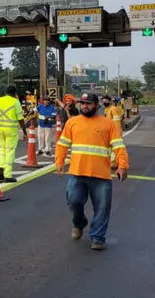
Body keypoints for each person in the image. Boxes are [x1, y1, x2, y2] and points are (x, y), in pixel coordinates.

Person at [55, 92, 129, 251]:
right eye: (82, 103)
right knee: (73, 201)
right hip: (77, 173)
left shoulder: (108, 124)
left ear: (96, 105)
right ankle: (79, 224)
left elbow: (118, 146)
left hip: (101, 175)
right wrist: (59, 161)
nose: (84, 106)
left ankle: (98, 237)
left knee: (102, 208)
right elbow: (62, 144)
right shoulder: (72, 123)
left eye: (88, 103)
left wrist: (122, 166)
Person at [0, 85, 26, 183]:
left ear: (5, 92)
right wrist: (25, 132)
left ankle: (0, 170)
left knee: (2, 150)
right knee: (10, 151)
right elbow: (20, 119)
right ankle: (8, 175)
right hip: (11, 130)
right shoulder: (15, 102)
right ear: (15, 94)